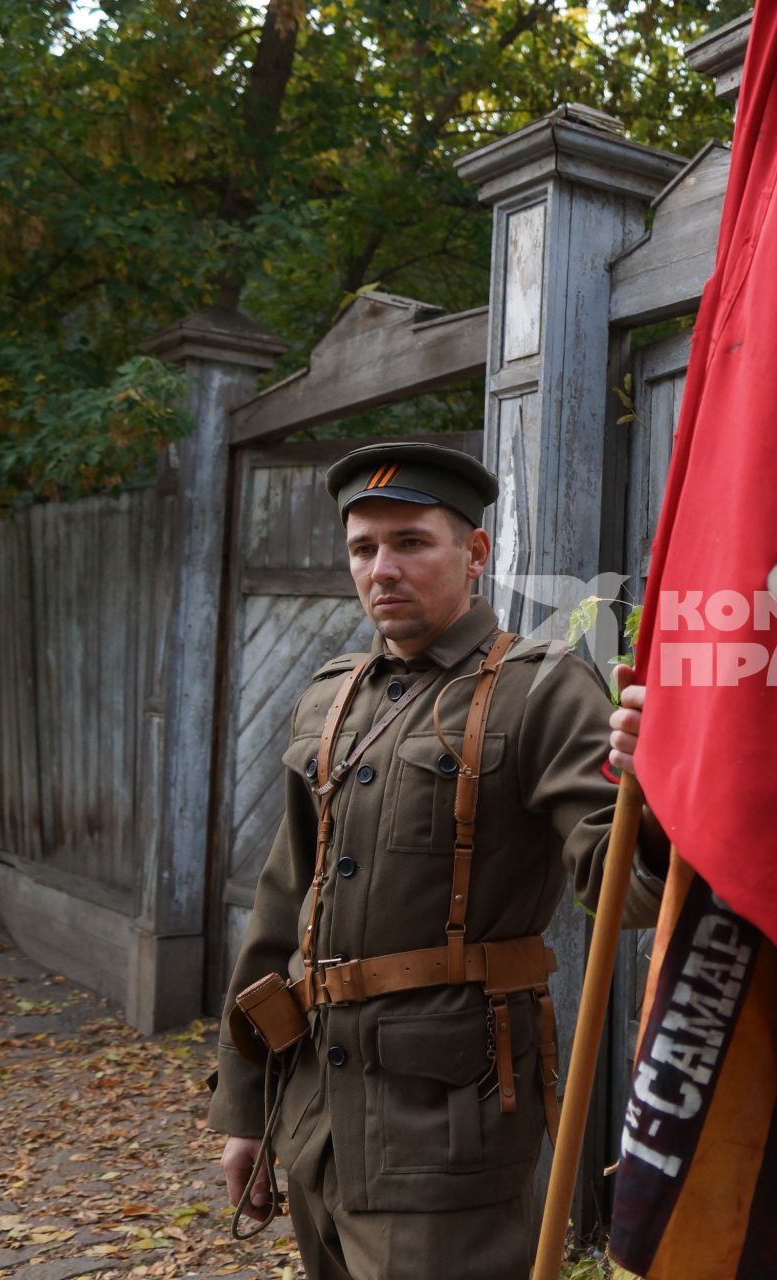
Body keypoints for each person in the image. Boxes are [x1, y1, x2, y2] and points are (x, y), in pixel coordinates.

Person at [208, 440, 665, 1280]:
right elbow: (281, 913)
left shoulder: (542, 688)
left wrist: (662, 794)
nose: (383, 568)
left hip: (448, 1130)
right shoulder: (330, 694)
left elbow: (623, 883)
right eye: (363, 548)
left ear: (475, 553)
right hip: (315, 1116)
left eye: (411, 542)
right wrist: (248, 1106)